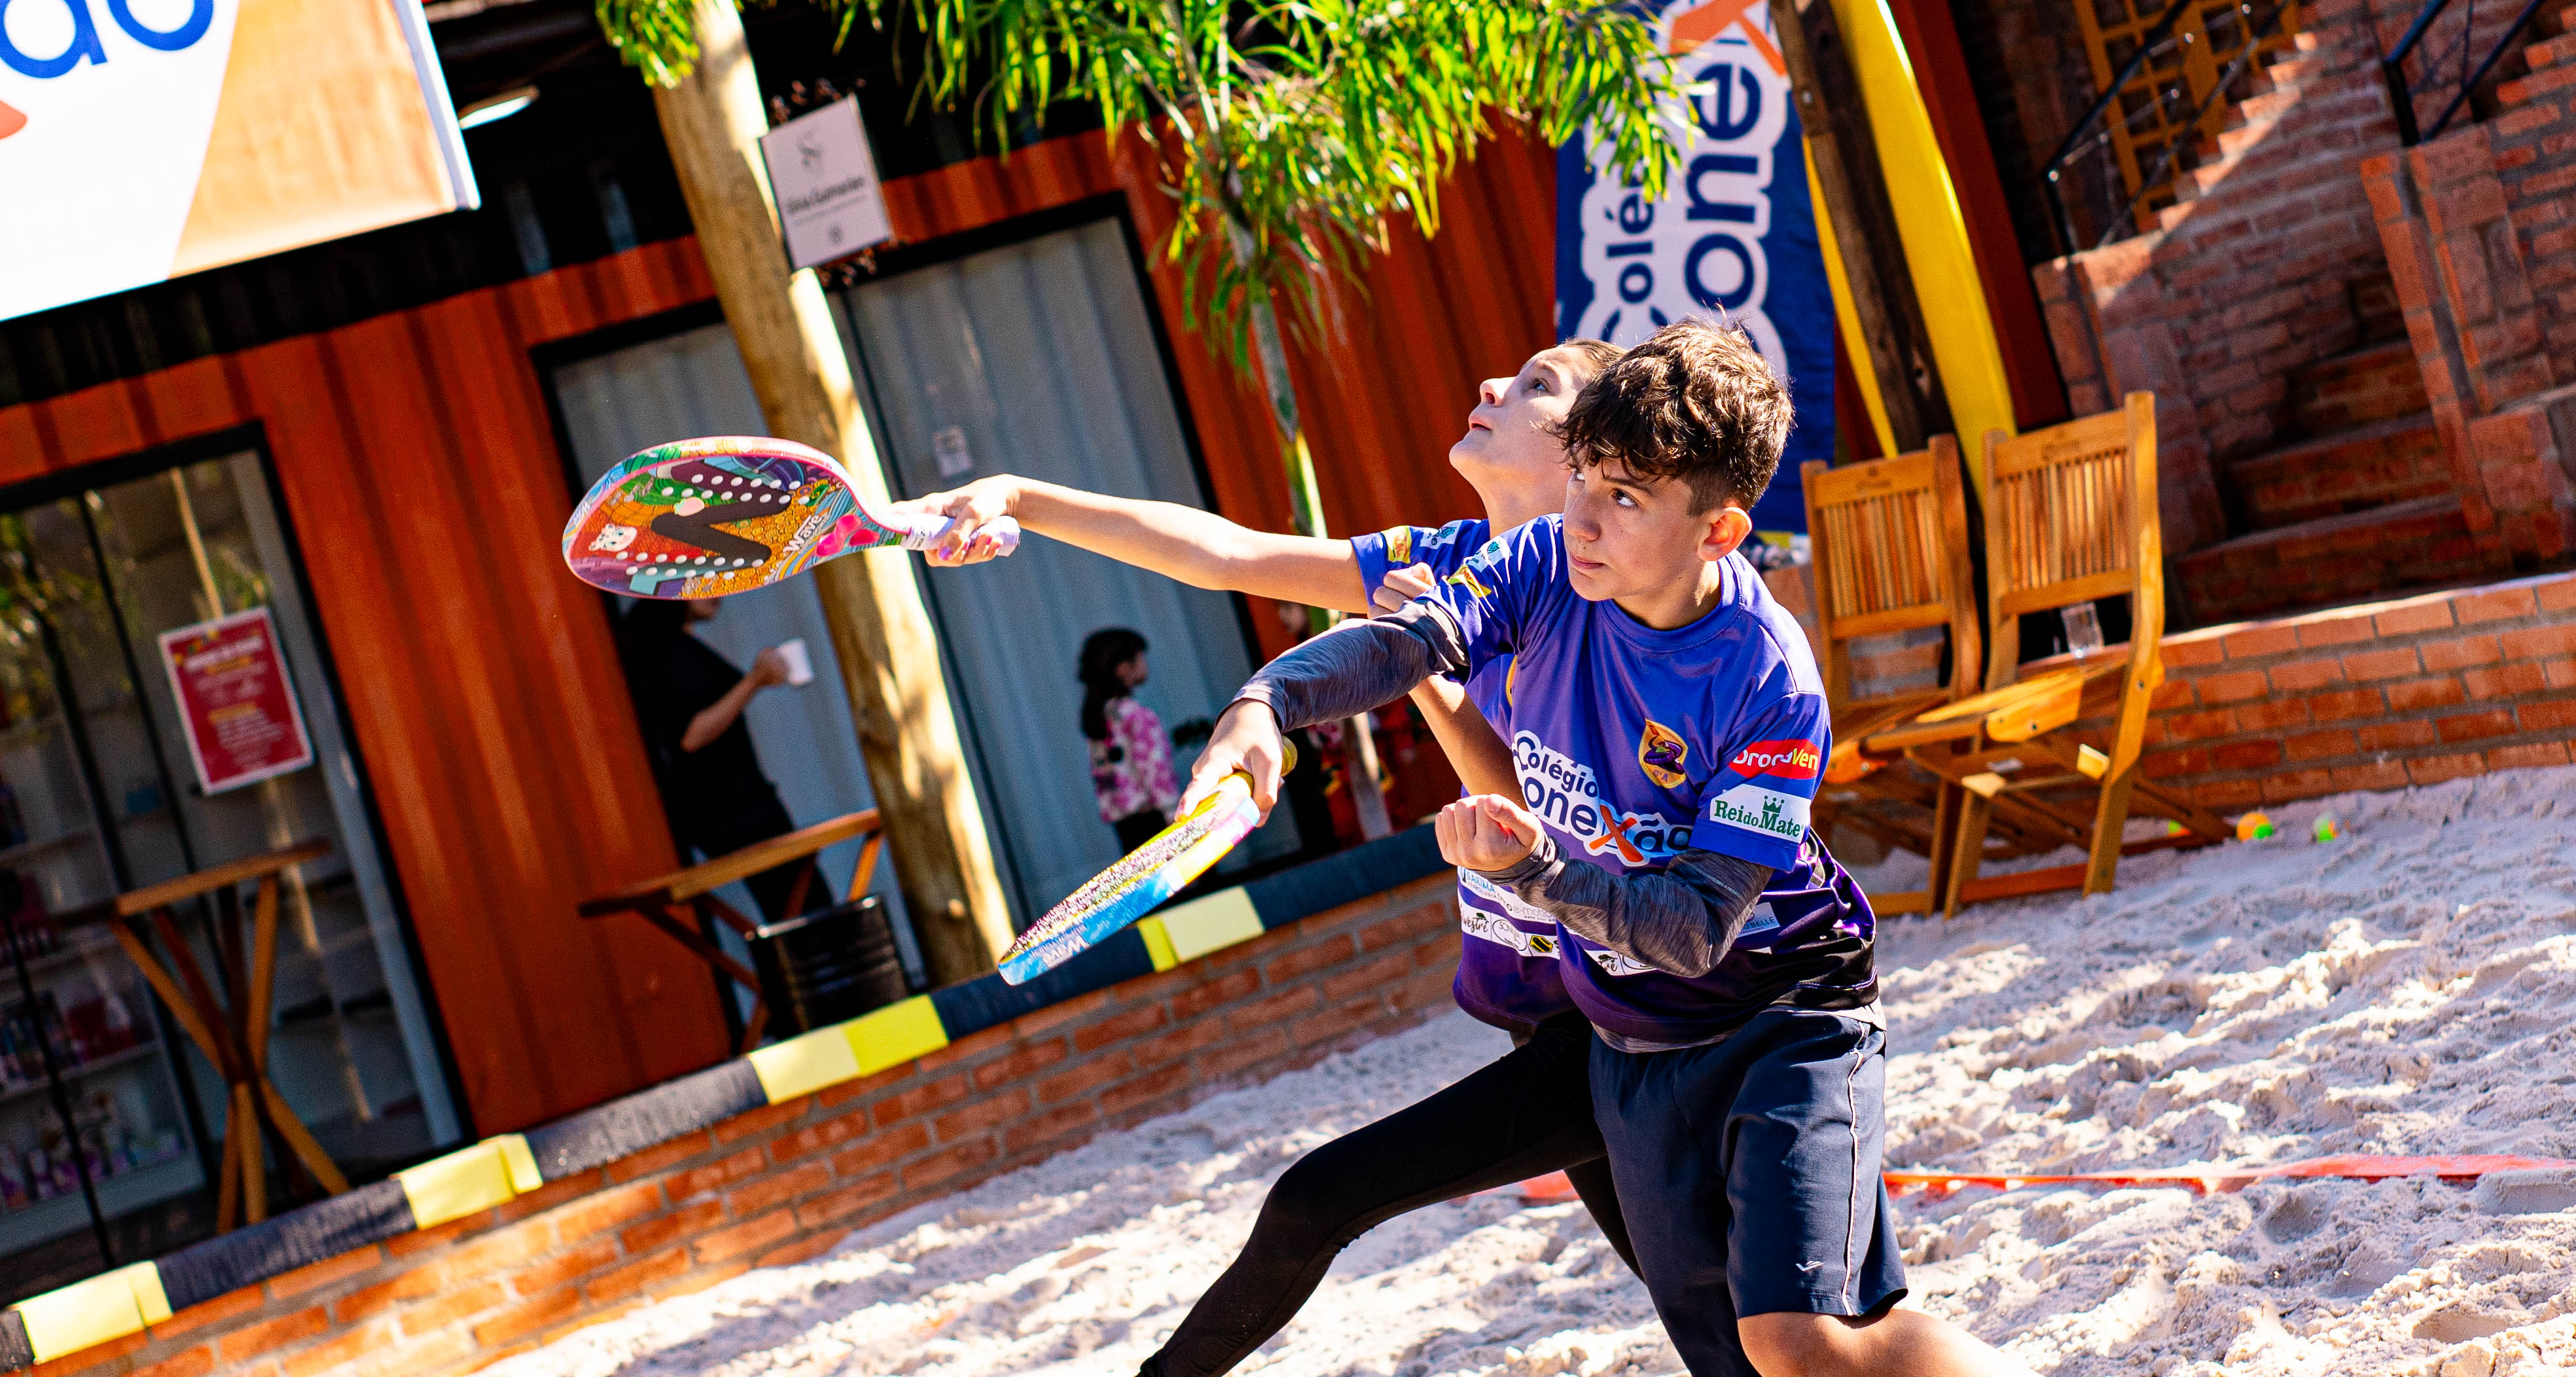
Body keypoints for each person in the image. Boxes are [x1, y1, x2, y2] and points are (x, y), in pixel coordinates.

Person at [1175, 319, 2029, 1377]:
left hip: (1782, 1016)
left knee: (1798, 1332)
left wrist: (1527, 869)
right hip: (1627, 1041)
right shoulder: (1542, 559)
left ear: (1717, 533)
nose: (1581, 516)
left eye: (1624, 496)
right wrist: (1268, 702)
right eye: (1581, 476)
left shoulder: (1768, 679)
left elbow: (1691, 926)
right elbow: (1409, 642)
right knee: (1731, 1352)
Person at [617, 598, 832, 923]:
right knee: (808, 910)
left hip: (735, 807)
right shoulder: (669, 650)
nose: (717, 591)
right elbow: (692, 735)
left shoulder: (673, 643)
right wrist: (753, 682)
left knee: (797, 909)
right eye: (704, 580)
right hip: (735, 810)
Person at [1079, 628, 1181, 851]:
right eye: (1141, 658)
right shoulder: (1137, 715)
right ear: (1124, 668)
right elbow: (1155, 769)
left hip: (1124, 822)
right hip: (1155, 818)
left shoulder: (1099, 718)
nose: (1145, 664)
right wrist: (1173, 812)